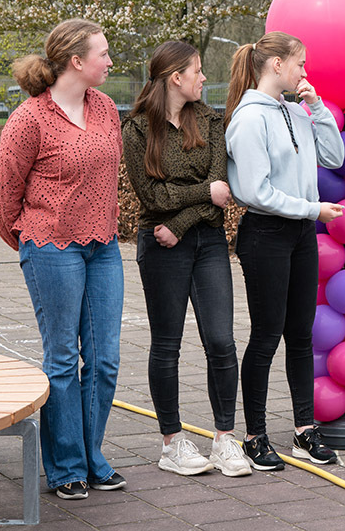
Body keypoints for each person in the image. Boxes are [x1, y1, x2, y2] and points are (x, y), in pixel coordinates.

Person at [0, 19, 126, 500]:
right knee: (63, 359)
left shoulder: (106, 109)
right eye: (103, 54)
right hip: (51, 249)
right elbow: (2, 198)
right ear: (76, 61)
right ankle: (67, 465)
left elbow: (108, 179)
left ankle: (92, 455)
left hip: (104, 247)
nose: (110, 62)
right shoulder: (30, 118)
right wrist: (33, 244)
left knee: (105, 360)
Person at [122, 40, 251, 478]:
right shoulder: (138, 129)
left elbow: (221, 193)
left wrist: (180, 223)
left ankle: (224, 438)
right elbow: (153, 196)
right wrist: (198, 200)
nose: (202, 77)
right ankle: (172, 441)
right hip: (158, 248)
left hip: (205, 242)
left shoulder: (212, 121)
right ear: (175, 77)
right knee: (167, 344)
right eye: (196, 70)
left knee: (221, 340)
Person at [224, 31, 345, 470]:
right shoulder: (248, 119)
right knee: (265, 335)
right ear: (277, 65)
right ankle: (254, 435)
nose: (305, 72)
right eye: (301, 64)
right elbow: (256, 192)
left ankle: (303, 429)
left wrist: (316, 107)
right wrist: (313, 208)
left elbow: (333, 155)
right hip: (266, 235)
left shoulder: (296, 111)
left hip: (300, 234)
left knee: (300, 334)